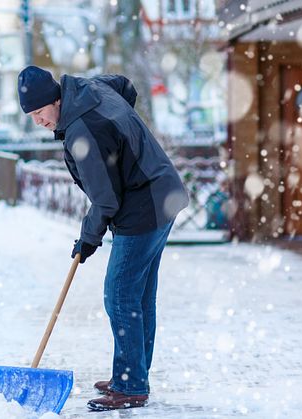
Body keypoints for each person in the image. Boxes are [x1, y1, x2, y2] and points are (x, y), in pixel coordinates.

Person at [17, 65, 189, 411]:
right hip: (161, 194)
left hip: (143, 208)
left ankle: (130, 384)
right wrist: (125, 135)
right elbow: (124, 85)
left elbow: (106, 199)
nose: (37, 121)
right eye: (31, 116)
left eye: (39, 112)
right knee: (138, 296)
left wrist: (88, 238)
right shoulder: (88, 91)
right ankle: (133, 374)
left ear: (55, 100)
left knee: (120, 295)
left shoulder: (84, 131)